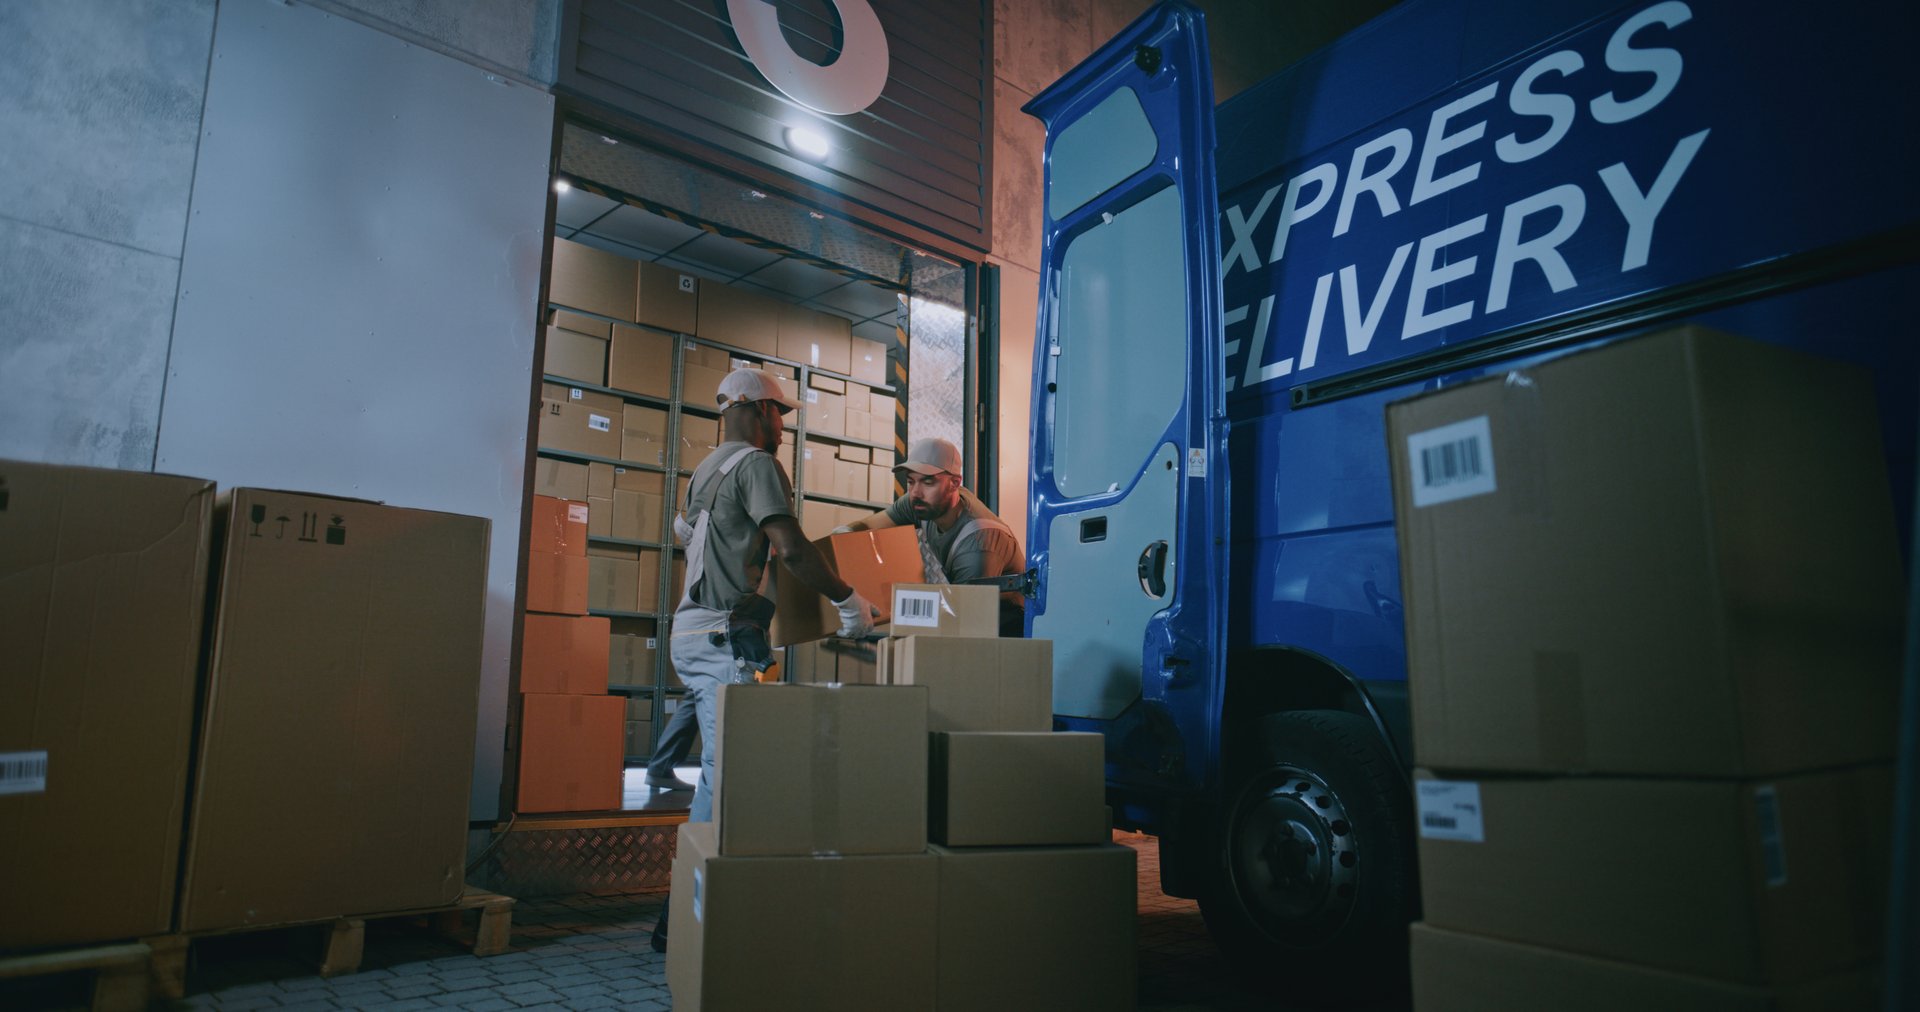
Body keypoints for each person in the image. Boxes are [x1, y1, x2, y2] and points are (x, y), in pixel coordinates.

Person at [651, 367, 877, 952]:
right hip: (726, 635)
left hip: (695, 631)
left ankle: (682, 913)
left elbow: (693, 535)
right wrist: (848, 600)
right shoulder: (755, 465)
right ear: (756, 410)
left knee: (716, 777)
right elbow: (791, 548)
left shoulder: (705, 469)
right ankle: (699, 919)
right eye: (782, 414)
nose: (784, 427)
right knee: (737, 781)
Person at [838, 437, 1025, 636]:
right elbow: (869, 526)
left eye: (928, 482)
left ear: (954, 483)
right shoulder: (922, 503)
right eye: (911, 482)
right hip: (969, 611)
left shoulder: (978, 541)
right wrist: (843, 534)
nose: (916, 493)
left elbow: (966, 620)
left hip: (1006, 626)